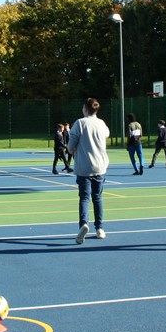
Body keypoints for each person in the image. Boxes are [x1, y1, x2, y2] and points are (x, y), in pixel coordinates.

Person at [67, 97, 110, 244]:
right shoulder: (102, 123)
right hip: (100, 166)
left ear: (85, 108)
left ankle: (83, 224)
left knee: (85, 198)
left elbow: (70, 146)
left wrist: (73, 151)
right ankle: (100, 228)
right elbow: (106, 135)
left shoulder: (80, 123)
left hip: (84, 167)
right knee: (97, 197)